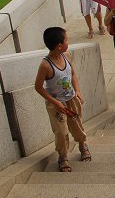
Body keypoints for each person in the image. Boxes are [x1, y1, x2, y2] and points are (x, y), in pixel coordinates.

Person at [34, 27, 90, 173]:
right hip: (57, 105)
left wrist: (77, 91)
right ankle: (63, 156)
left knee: (77, 125)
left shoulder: (66, 56)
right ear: (59, 45)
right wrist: (55, 102)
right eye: (66, 40)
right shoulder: (45, 65)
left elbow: (73, 74)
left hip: (71, 99)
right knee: (61, 131)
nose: (68, 42)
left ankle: (82, 145)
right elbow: (38, 87)